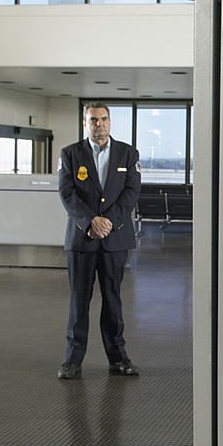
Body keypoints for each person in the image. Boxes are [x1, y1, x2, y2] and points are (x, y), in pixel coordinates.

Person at [56, 102, 143, 380]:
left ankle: (118, 358)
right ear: (85, 123)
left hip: (115, 239)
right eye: (93, 120)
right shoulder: (70, 154)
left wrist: (108, 222)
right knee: (79, 301)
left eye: (104, 119)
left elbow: (131, 193)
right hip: (82, 240)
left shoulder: (128, 154)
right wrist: (90, 221)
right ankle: (72, 361)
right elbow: (67, 193)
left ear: (110, 121)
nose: (99, 124)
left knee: (113, 300)